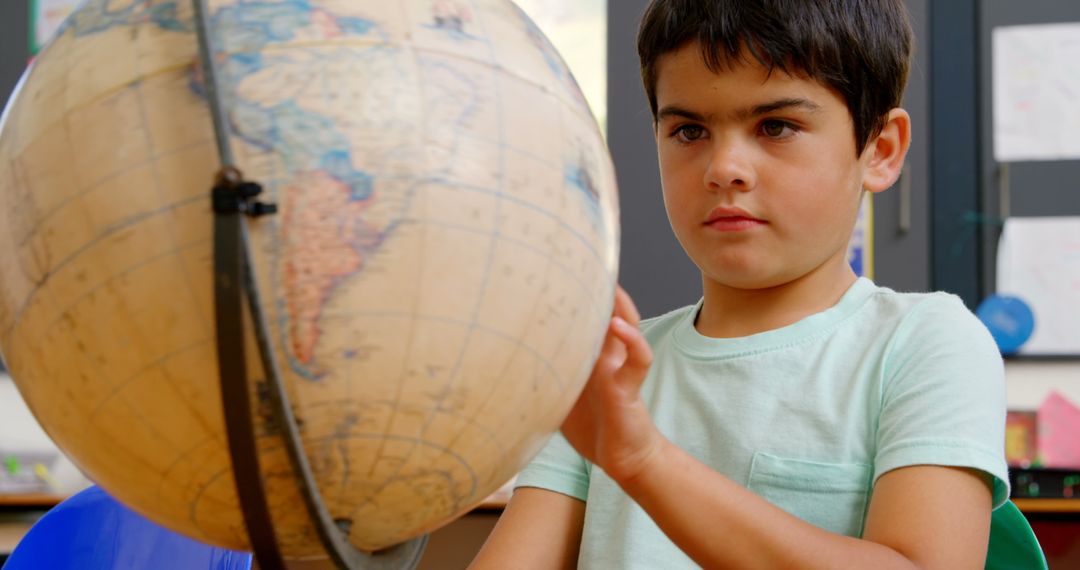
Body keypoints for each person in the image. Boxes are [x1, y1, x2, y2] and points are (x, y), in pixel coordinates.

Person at [470, 0, 1011, 568]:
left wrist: (642, 458)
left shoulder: (925, 342)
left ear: (880, 149)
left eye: (776, 126)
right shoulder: (608, 373)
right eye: (688, 130)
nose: (723, 167)